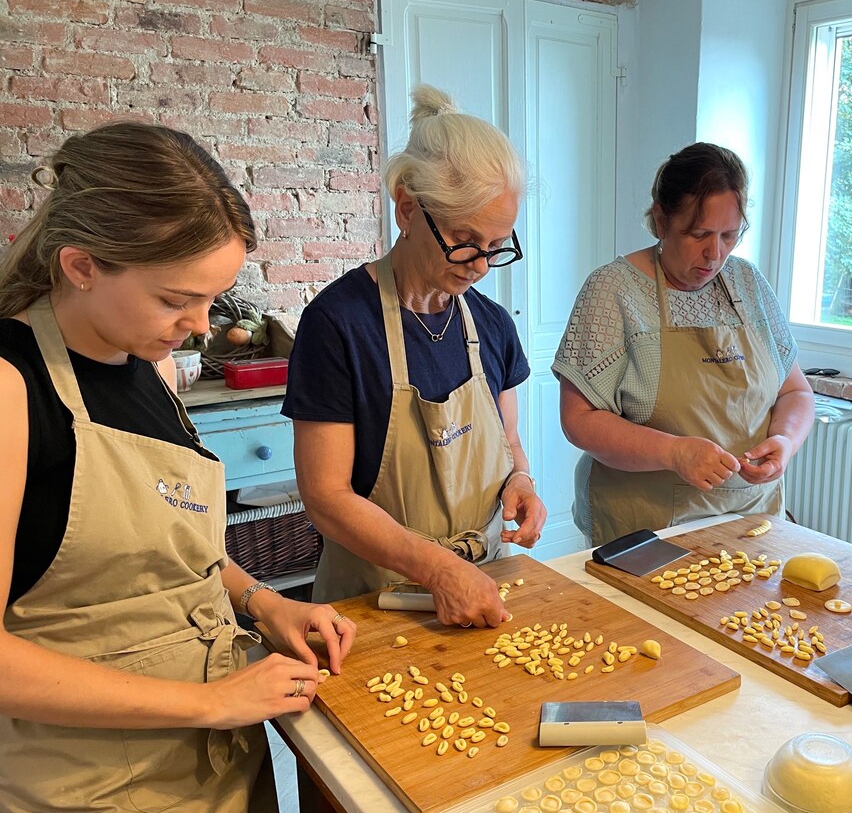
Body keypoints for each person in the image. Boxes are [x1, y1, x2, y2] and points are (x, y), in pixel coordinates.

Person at [0, 122, 357, 813]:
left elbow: (175, 543)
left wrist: (263, 602)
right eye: (176, 299)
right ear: (82, 265)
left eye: (210, 299)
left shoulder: (149, 370)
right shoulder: (10, 390)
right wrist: (209, 705)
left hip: (219, 749)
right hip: (108, 800)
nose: (200, 325)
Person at [285, 85, 545, 626]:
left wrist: (521, 481)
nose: (479, 265)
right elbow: (326, 496)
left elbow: (509, 440)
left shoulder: (493, 326)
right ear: (407, 208)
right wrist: (437, 569)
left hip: (482, 584)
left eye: (497, 246)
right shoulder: (338, 325)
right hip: (372, 602)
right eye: (464, 239)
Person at [555, 143, 814, 545]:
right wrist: (673, 453)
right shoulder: (613, 290)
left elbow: (795, 390)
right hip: (645, 527)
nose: (715, 254)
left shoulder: (749, 284)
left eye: (730, 235)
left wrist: (786, 440)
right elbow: (580, 419)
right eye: (699, 235)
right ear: (661, 220)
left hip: (750, 519)